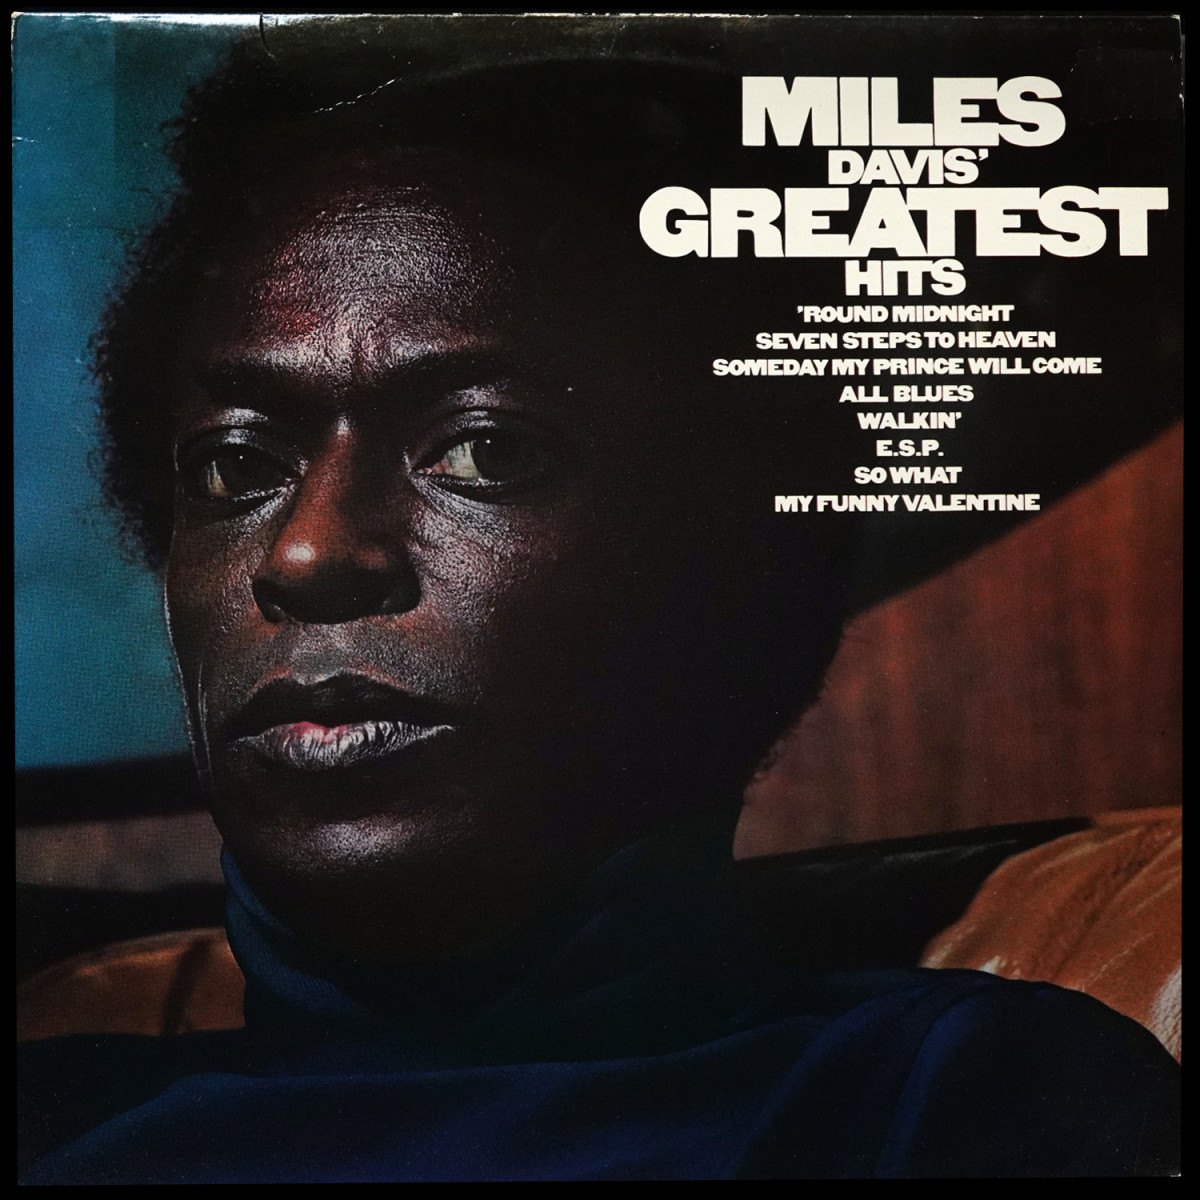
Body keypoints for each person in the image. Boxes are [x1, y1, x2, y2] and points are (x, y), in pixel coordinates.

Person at [19, 43, 1180, 1181]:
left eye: (487, 449)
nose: (307, 552)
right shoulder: (55, 1111)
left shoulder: (947, 1098)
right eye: (233, 465)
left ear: (749, 571)